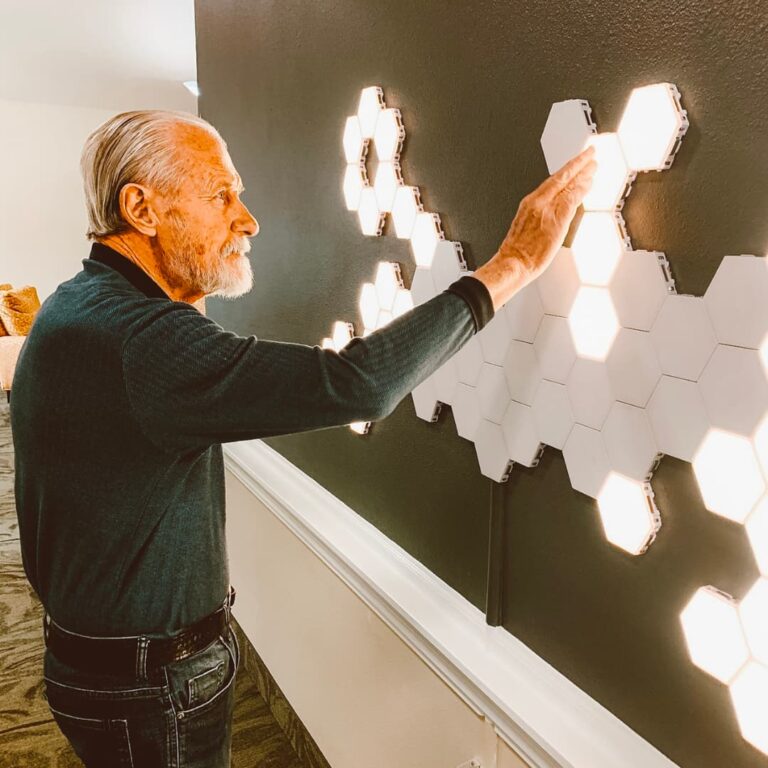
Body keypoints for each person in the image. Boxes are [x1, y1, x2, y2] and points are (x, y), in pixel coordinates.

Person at [10, 109, 595, 767]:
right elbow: (355, 385)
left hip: (95, 664)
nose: (249, 220)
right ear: (141, 208)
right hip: (149, 688)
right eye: (220, 195)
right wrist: (514, 263)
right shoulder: (144, 344)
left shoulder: (79, 305)